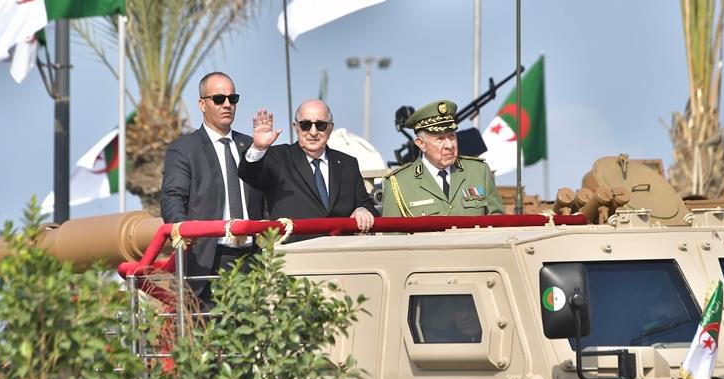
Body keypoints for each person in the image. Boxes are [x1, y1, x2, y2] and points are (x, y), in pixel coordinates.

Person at [160, 72, 265, 304]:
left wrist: (261, 151)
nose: (227, 104)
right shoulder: (185, 148)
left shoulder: (250, 146)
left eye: (232, 98)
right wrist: (182, 230)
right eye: (219, 99)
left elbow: (268, 194)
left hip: (251, 260)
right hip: (208, 261)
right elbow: (172, 196)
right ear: (202, 104)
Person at [238, 100, 377, 236]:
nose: (313, 132)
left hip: (340, 252)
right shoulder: (278, 158)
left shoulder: (348, 164)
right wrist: (258, 149)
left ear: (330, 128)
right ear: (295, 127)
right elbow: (250, 174)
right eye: (305, 125)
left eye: (321, 125)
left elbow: (366, 204)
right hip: (295, 253)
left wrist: (362, 210)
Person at [382, 100, 503, 217]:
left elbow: (498, 221)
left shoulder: (479, 172)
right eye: (440, 139)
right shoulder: (398, 183)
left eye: (451, 136)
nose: (450, 145)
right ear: (421, 144)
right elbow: (393, 236)